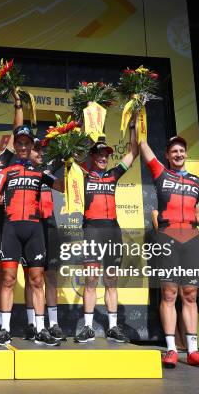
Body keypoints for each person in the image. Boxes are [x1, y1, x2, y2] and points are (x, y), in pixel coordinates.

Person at [139, 135, 199, 368]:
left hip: (191, 240)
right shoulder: (161, 173)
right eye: (174, 151)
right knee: (169, 294)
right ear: (167, 155)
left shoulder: (197, 181)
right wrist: (135, 117)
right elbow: (143, 147)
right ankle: (171, 349)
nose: (179, 154)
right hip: (168, 237)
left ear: (186, 153)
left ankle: (193, 351)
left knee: (190, 294)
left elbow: (198, 215)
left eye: (182, 150)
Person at [0, 125, 64, 346]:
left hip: (34, 230)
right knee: (7, 279)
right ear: (15, 145)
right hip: (10, 230)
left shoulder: (41, 172)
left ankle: (41, 329)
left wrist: (72, 165)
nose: (22, 147)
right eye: (18, 143)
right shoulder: (6, 171)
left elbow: (63, 187)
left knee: (36, 280)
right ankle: (5, 330)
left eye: (26, 143)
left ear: (31, 147)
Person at [74, 124, 138, 344]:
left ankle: (112, 327)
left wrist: (133, 127)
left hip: (112, 229)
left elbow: (133, 153)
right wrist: (80, 125)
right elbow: (70, 157)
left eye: (106, 155)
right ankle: (88, 327)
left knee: (111, 280)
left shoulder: (113, 174)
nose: (103, 158)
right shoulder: (83, 174)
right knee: (91, 279)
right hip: (92, 229)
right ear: (92, 156)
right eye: (99, 154)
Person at [22, 138, 65, 341]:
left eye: (42, 150)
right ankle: (32, 323)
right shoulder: (21, 169)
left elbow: (63, 187)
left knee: (51, 276)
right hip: (30, 224)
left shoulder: (48, 169)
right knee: (32, 276)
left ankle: (54, 323)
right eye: (36, 149)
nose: (40, 153)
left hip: (50, 224)